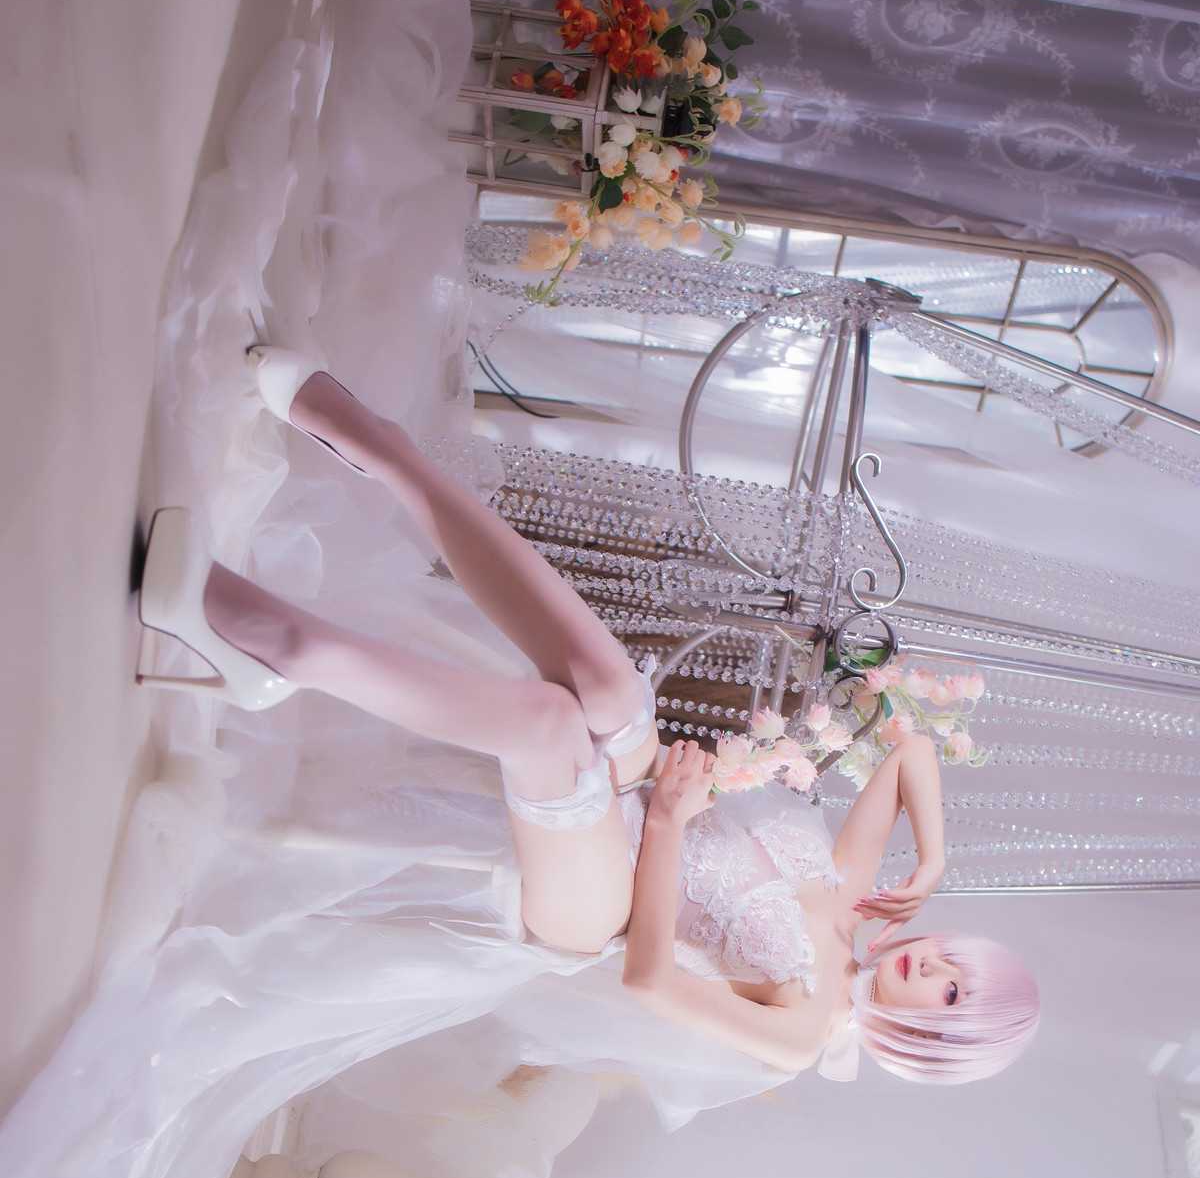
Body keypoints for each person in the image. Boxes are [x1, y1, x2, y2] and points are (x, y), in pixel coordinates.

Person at [138, 344, 1039, 1089]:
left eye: (953, 999)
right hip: (645, 795)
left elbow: (648, 979)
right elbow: (908, 745)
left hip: (598, 910)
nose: (938, 972)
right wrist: (933, 856)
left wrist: (673, 823)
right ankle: (385, 451)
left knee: (547, 723)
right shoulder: (853, 896)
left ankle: (286, 648)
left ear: (936, 1046)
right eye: (960, 965)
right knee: (607, 688)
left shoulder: (803, 1035)